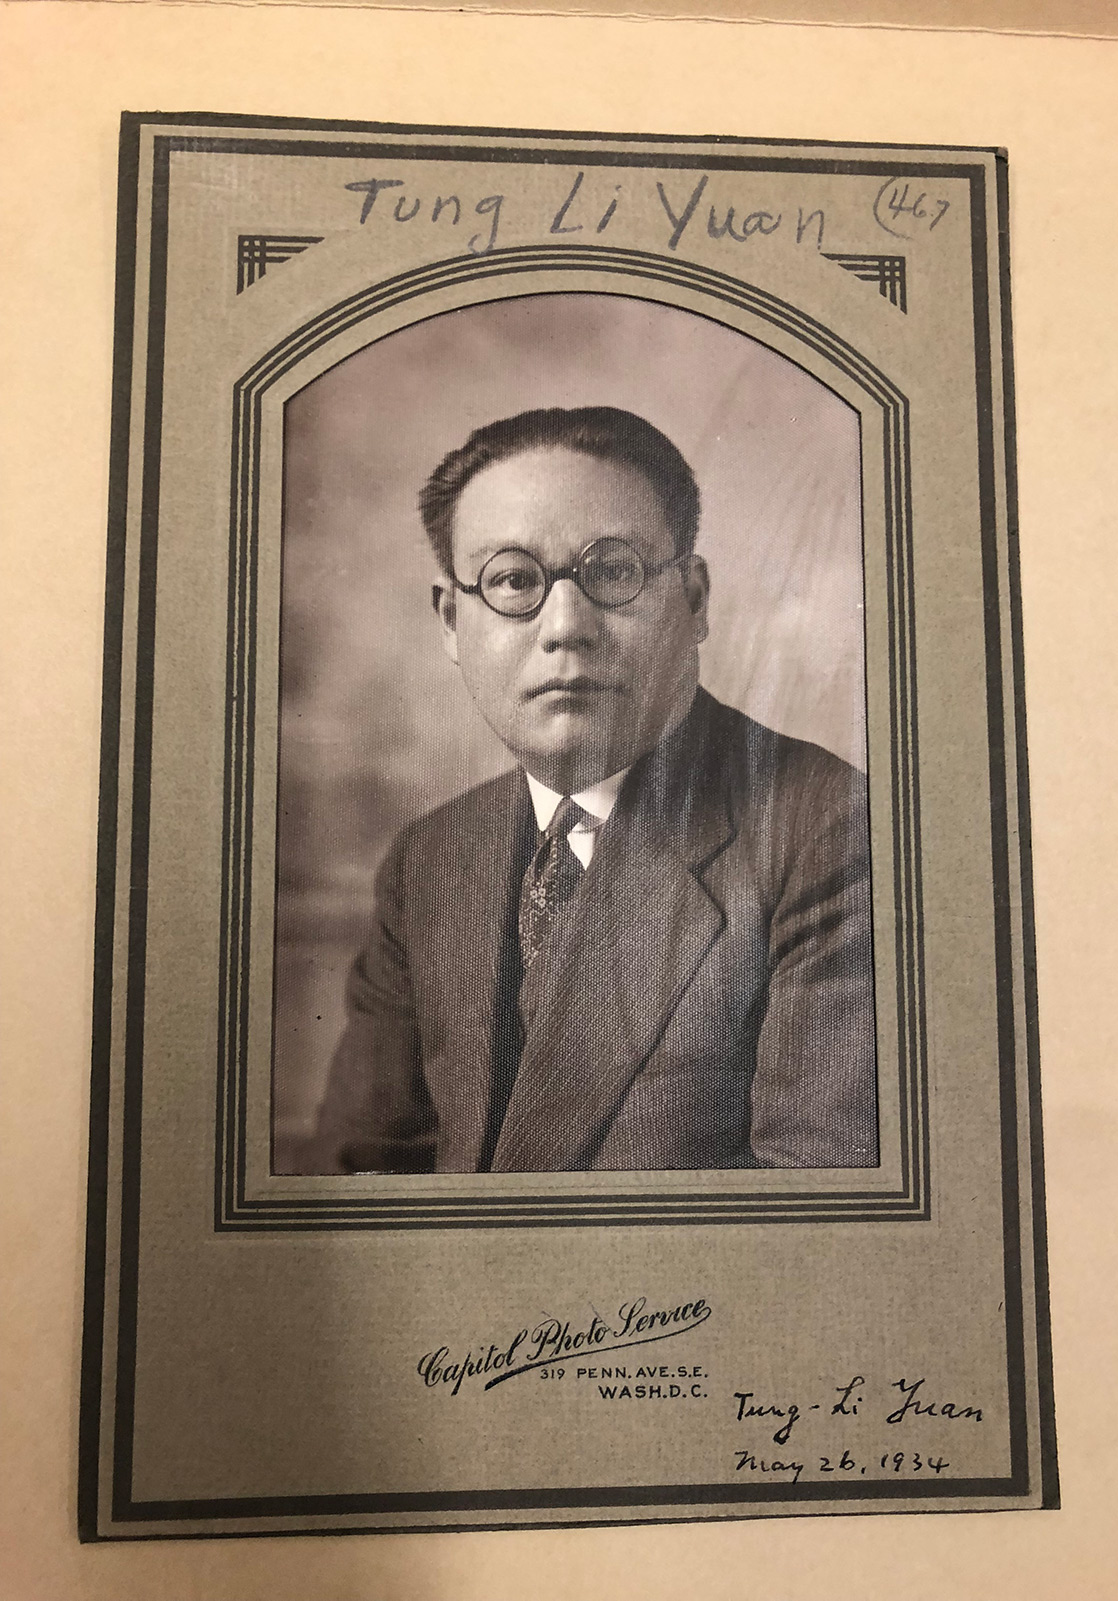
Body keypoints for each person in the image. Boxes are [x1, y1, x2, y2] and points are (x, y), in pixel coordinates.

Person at [309, 405, 877, 1174]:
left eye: (612, 572)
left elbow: (808, 1224)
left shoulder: (829, 831)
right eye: (513, 580)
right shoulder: (431, 859)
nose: (566, 624)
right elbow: (353, 1189)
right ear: (451, 621)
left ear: (696, 601)